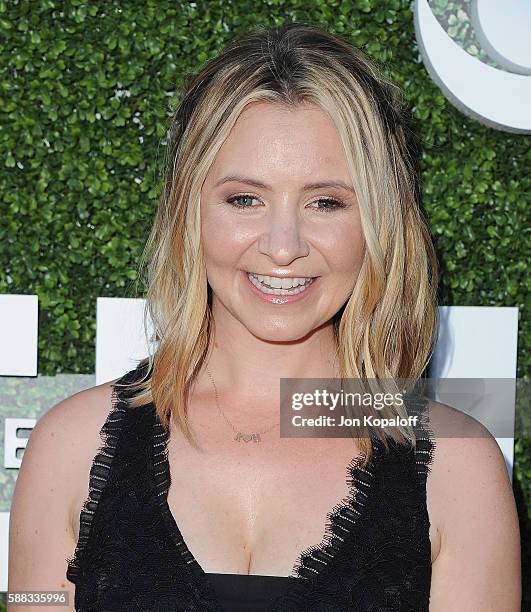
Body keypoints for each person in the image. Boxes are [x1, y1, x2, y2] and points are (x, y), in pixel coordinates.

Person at [8, 22, 520, 612]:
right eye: (244, 199)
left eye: (325, 202)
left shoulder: (459, 469)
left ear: (378, 222)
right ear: (188, 211)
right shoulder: (68, 446)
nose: (283, 246)